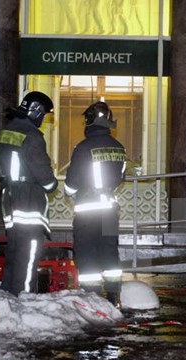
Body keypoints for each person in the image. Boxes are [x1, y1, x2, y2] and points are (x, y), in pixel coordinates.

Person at [0, 91, 58, 296]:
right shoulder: (32, 137)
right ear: (36, 111)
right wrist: (51, 183)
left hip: (9, 197)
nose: (43, 119)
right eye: (44, 114)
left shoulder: (5, 132)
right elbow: (46, 179)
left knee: (13, 249)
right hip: (28, 199)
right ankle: (24, 297)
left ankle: (8, 293)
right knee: (29, 251)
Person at [64, 101, 127, 305]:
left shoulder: (83, 148)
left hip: (88, 211)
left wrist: (70, 192)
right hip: (109, 210)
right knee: (109, 250)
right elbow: (120, 178)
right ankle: (112, 295)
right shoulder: (119, 147)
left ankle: (91, 295)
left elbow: (72, 182)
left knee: (87, 250)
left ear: (91, 121)